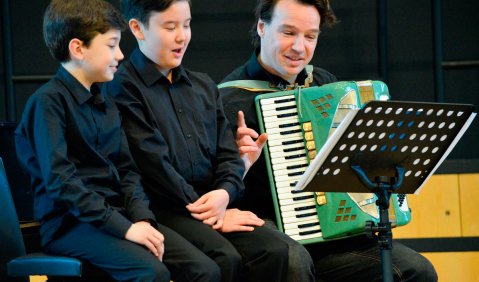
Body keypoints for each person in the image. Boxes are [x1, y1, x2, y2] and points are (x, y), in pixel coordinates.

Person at [219, 0, 439, 281]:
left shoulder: (324, 84)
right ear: (262, 27)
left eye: (310, 36)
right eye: (288, 33)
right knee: (292, 261)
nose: (300, 47)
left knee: (416, 271)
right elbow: (208, 187)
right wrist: (236, 162)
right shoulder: (227, 100)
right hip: (269, 234)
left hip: (331, 238)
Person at [15, 1, 220, 281]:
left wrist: (142, 220)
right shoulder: (47, 103)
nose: (121, 55)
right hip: (71, 225)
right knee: (151, 271)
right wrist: (124, 228)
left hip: (116, 216)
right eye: (112, 45)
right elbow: (62, 183)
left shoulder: (106, 103)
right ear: (78, 48)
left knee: (205, 269)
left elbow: (127, 172)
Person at [104, 0, 289, 281]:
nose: (182, 36)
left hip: (211, 202)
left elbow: (228, 154)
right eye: (170, 27)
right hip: (165, 206)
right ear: (137, 29)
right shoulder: (123, 87)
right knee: (222, 259)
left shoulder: (203, 85)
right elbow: (153, 164)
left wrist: (225, 193)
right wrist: (213, 214)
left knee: (273, 250)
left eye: (187, 25)